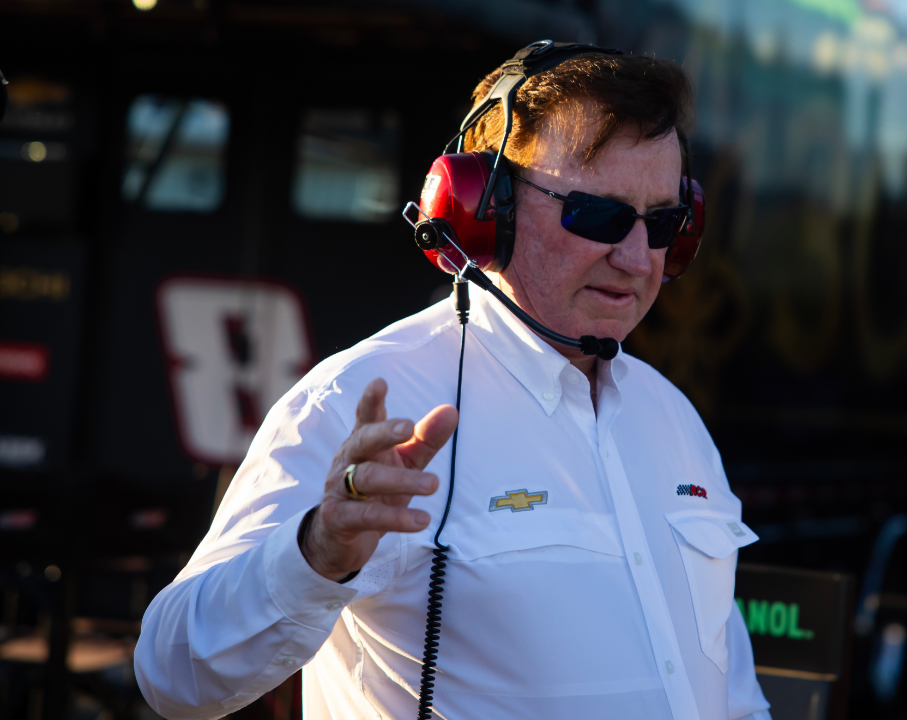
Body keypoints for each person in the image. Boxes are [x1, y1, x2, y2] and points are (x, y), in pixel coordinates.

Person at [135, 45, 772, 720]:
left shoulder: (672, 420)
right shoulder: (362, 401)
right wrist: (318, 552)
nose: (637, 257)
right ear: (482, 207)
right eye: (598, 215)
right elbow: (173, 675)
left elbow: (730, 696)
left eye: (666, 222)